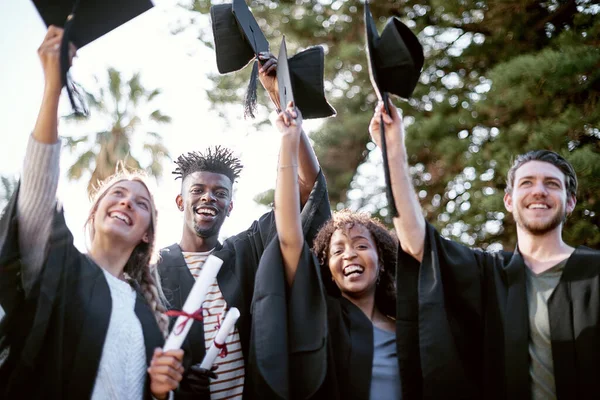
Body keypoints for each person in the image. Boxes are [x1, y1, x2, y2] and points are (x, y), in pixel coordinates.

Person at [371, 99, 600, 399]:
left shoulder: (594, 272)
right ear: (509, 200)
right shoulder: (490, 274)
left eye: (552, 184)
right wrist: (393, 152)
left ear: (569, 203)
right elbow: (418, 242)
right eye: (527, 183)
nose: (539, 191)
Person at [0, 26, 184, 400]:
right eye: (117, 194)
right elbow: (37, 192)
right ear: (94, 211)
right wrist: (54, 88)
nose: (126, 202)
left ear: (148, 233)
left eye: (141, 203)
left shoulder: (149, 316)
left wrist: (163, 392)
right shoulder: (59, 268)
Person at [156, 59, 332, 399]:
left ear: (231, 206)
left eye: (220, 193)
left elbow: (308, 192)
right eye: (197, 190)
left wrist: (280, 100)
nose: (209, 197)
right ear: (180, 202)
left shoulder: (245, 252)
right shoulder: (155, 270)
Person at [249, 102, 422, 400]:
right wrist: (289, 141)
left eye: (361, 245)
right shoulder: (321, 315)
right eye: (337, 250)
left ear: (381, 261)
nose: (350, 255)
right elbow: (289, 235)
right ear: (327, 266)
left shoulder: (407, 327)